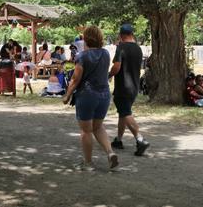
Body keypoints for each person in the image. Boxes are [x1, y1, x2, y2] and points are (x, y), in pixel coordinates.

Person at [63, 26, 118, 171]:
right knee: (98, 127)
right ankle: (110, 153)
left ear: (86, 39)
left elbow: (75, 79)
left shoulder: (82, 56)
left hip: (87, 95)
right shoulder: (106, 54)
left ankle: (88, 163)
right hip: (104, 95)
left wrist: (67, 95)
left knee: (86, 130)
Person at [110, 24, 150, 156]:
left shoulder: (121, 47)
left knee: (125, 112)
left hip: (123, 86)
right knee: (123, 113)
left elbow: (117, 67)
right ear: (132, 34)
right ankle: (119, 140)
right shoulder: (138, 49)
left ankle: (140, 139)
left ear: (121, 35)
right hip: (134, 86)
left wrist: (108, 75)